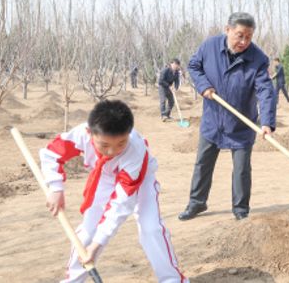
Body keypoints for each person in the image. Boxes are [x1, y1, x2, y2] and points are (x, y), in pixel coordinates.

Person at [39, 100, 188, 283]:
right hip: (105, 177)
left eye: (121, 144)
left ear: (128, 133)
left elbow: (121, 203)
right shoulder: (80, 135)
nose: (112, 151)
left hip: (139, 179)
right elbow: (51, 154)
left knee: (151, 229)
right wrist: (55, 188)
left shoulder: (135, 149)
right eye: (104, 145)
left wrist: (99, 243)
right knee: (87, 233)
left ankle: (172, 280)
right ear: (89, 133)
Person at [179, 12, 276, 221]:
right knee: (203, 163)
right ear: (228, 30)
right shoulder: (209, 47)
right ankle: (196, 203)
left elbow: (265, 91)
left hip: (241, 123)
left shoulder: (258, 59)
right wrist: (203, 86)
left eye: (248, 37)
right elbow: (194, 66)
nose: (243, 42)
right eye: (239, 35)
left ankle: (241, 209)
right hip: (213, 119)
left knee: (241, 169)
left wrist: (267, 122)